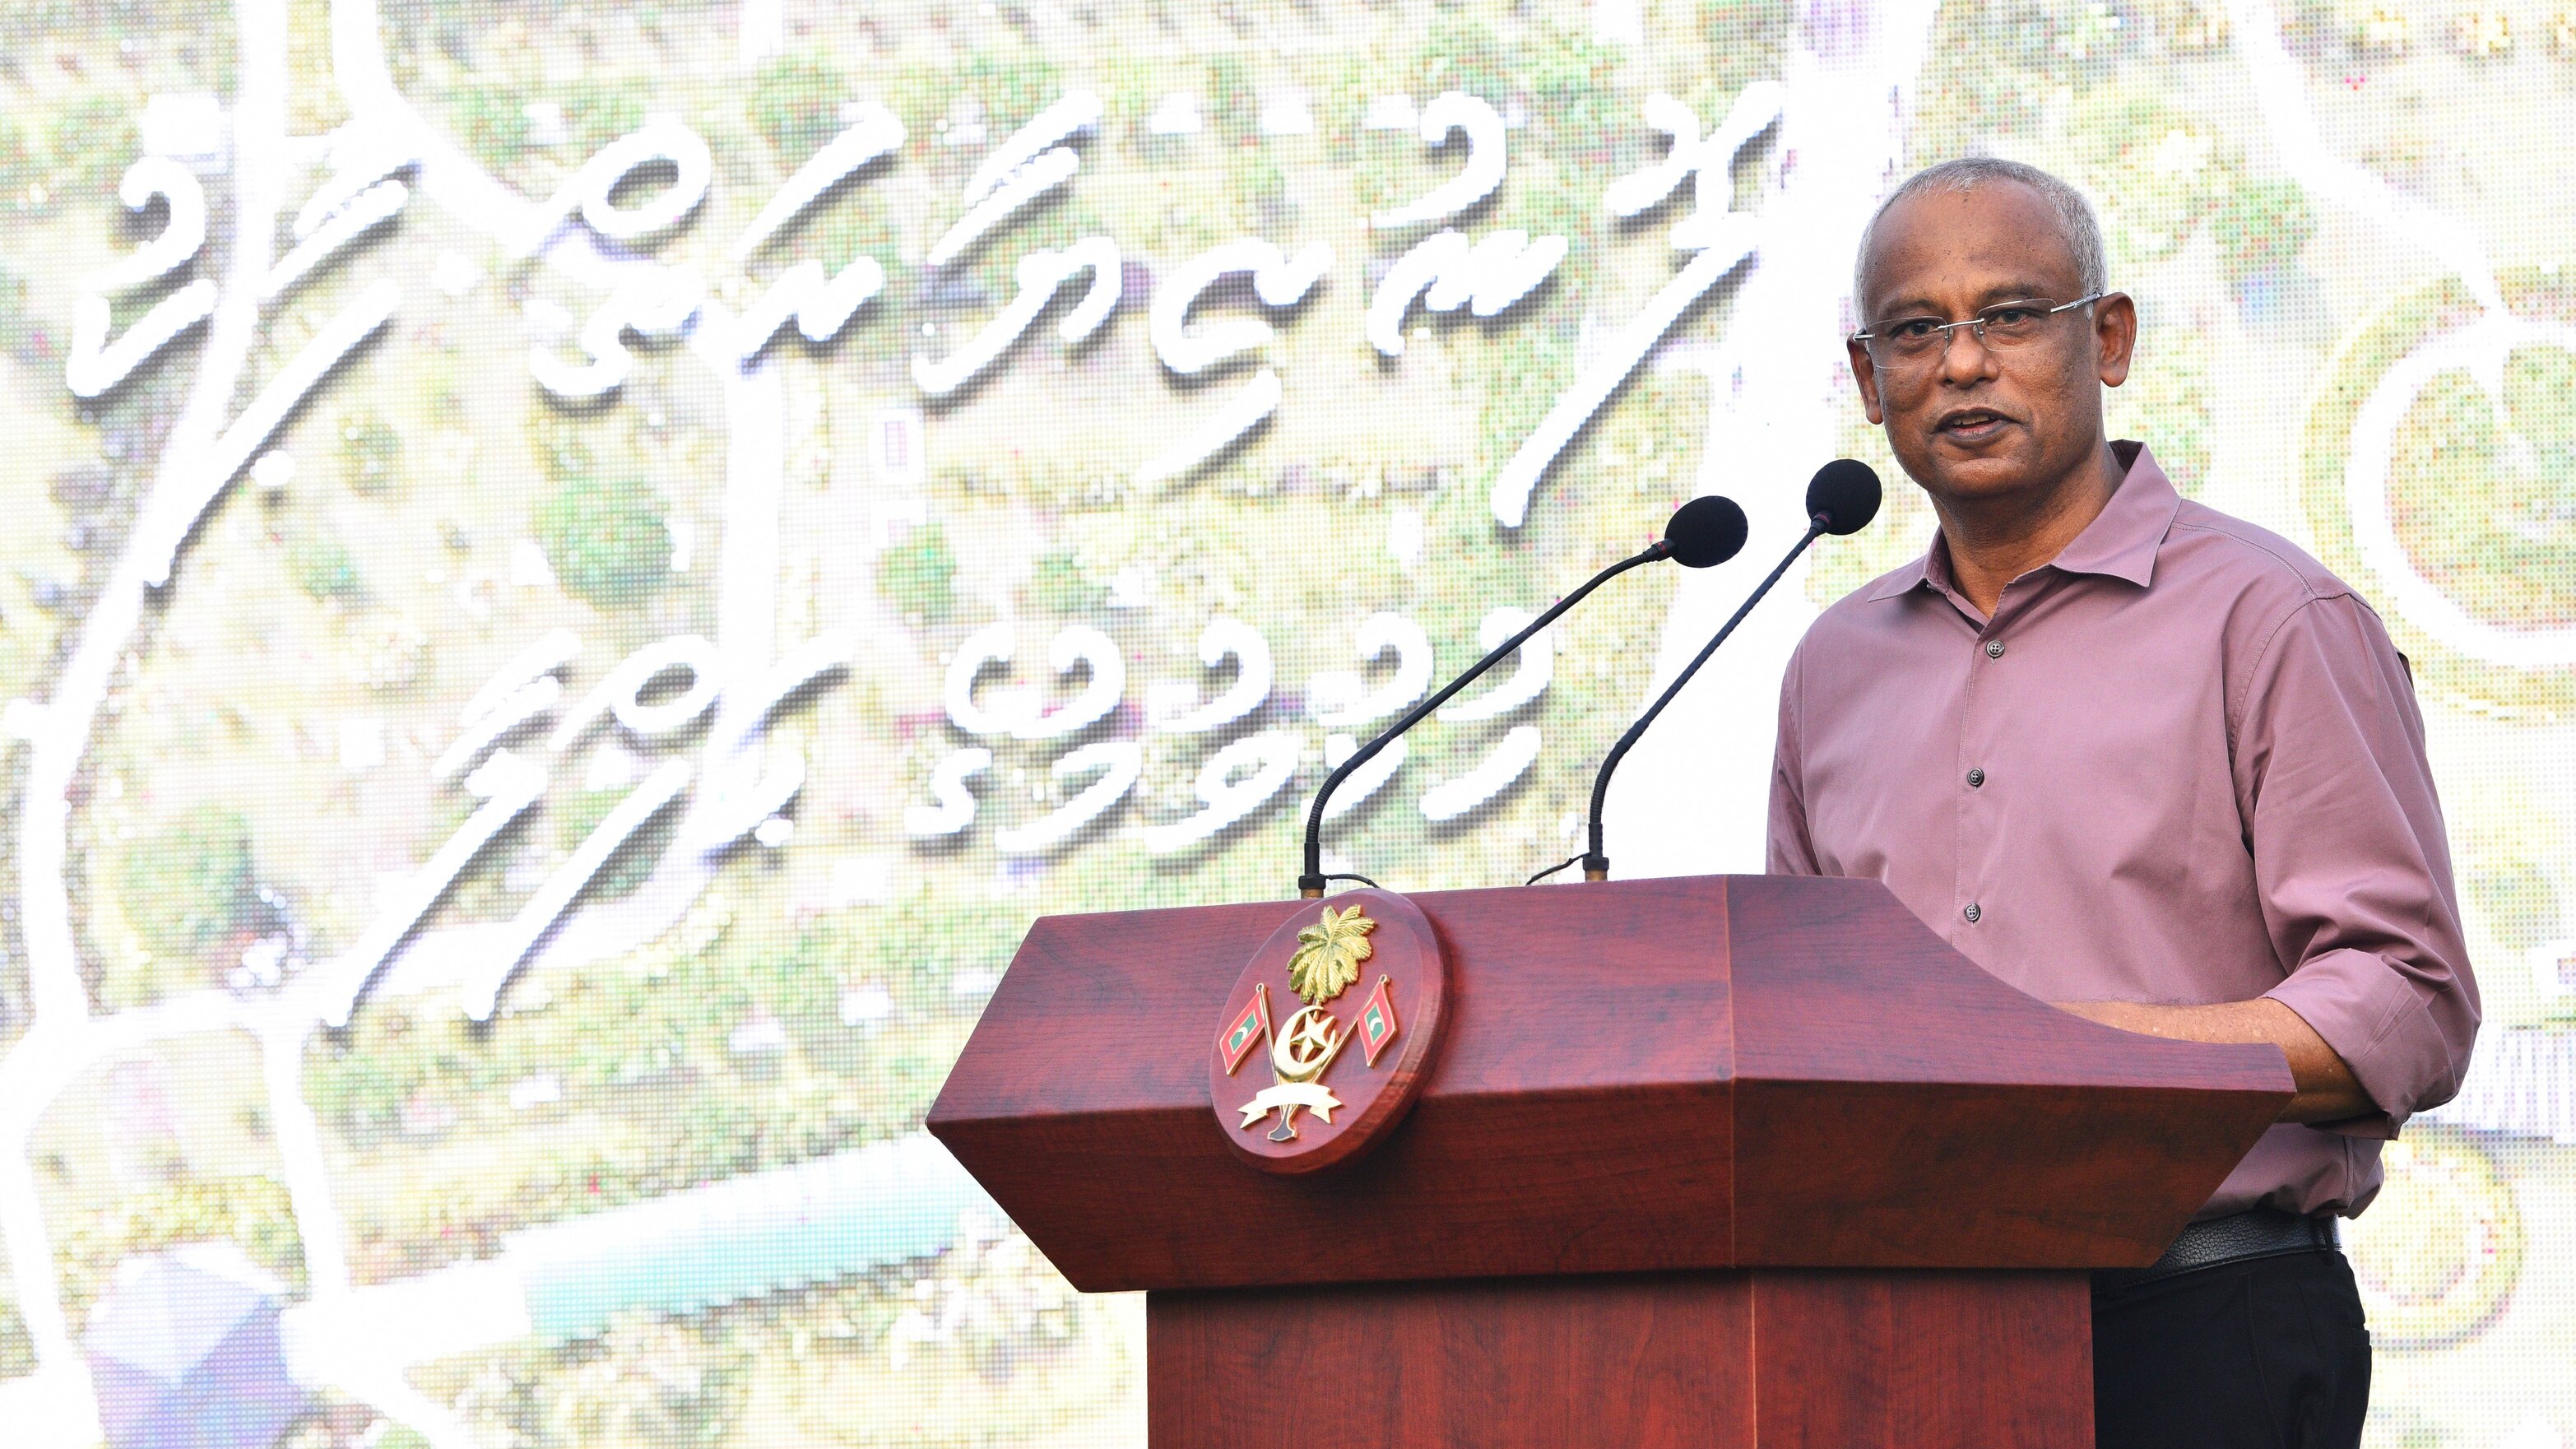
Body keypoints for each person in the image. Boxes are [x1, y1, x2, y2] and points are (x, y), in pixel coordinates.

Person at [1767, 157, 2481, 1449]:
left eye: (2013, 314)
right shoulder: (1832, 668)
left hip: (2202, 1321)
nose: (1964, 364)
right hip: (1901, 1341)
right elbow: (1816, 1023)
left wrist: (2073, 1051)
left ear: (2109, 339)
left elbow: (2409, 1003)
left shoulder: (2271, 619)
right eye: (1917, 330)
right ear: (1870, 385)